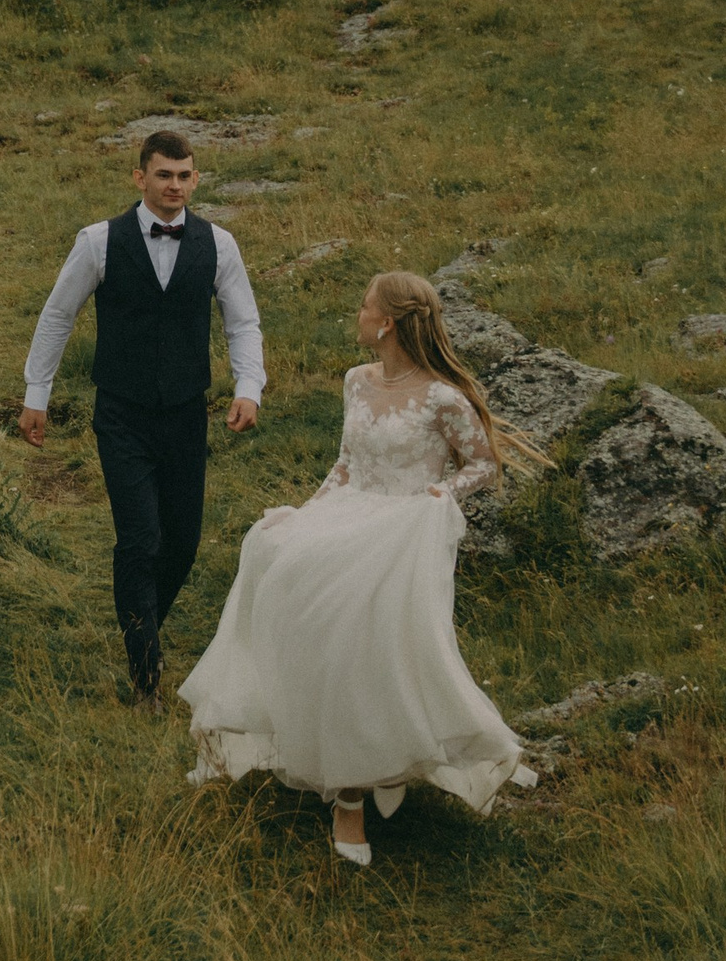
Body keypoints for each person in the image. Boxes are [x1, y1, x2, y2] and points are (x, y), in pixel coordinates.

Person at [178, 268, 537, 864]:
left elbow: (482, 464)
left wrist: (442, 495)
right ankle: (282, 737)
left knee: (359, 646)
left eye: (365, 306)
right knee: (271, 555)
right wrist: (306, 512)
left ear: (387, 322)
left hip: (400, 530)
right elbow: (345, 464)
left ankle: (352, 801)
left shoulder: (442, 397)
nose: (359, 314)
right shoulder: (356, 381)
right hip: (348, 513)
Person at [18, 128, 264, 703]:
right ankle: (146, 677)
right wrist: (37, 393)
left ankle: (142, 622)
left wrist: (248, 385)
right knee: (140, 539)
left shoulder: (219, 245)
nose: (174, 185)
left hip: (185, 414)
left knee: (182, 541)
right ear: (140, 177)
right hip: (122, 414)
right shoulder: (99, 241)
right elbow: (58, 315)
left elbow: (242, 322)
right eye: (163, 175)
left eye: (184, 176)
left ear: (195, 179)